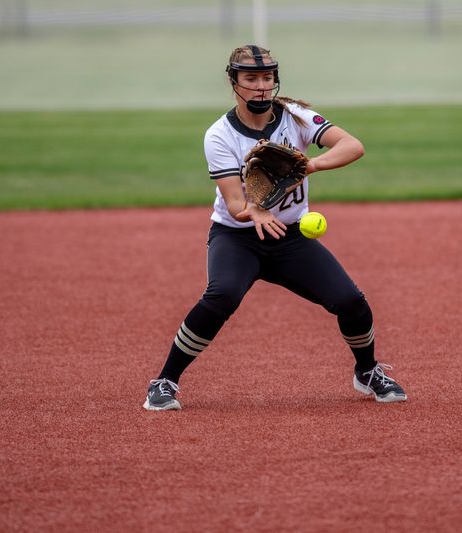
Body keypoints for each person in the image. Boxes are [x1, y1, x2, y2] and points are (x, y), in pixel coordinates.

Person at [143, 44, 407, 410]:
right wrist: (256, 211)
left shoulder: (296, 117)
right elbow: (235, 205)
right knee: (222, 296)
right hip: (237, 239)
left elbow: (353, 146)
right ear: (233, 82)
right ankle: (165, 380)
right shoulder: (219, 135)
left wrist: (309, 166)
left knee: (351, 301)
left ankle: (367, 371)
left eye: (267, 77)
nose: (261, 86)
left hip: (290, 238)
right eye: (251, 78)